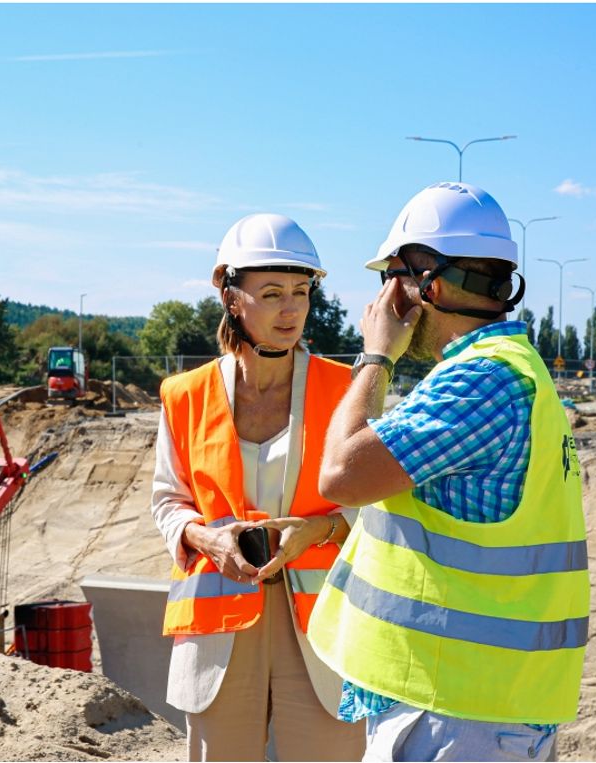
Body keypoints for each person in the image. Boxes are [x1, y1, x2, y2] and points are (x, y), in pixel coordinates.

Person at [306, 182, 590, 762]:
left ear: (428, 281)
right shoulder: (512, 372)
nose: (386, 298)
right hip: (475, 707)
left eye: (393, 276)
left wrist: (376, 355)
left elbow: (339, 472)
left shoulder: (481, 382)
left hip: (457, 712)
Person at [150, 213, 366, 762]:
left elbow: (377, 508)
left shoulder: (348, 391)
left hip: (320, 629)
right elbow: (168, 500)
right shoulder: (185, 395)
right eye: (271, 294)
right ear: (231, 296)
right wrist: (206, 539)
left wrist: (317, 528)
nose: (291, 309)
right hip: (219, 631)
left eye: (301, 292)